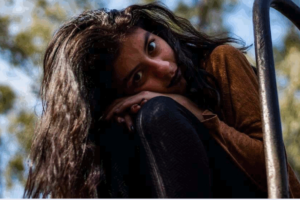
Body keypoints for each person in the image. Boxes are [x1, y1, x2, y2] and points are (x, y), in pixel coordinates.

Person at [24, 2, 300, 198]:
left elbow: (282, 181)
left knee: (158, 112)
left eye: (152, 47)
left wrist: (190, 109)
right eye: (138, 77)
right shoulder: (130, 121)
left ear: (157, 31)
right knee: (113, 136)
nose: (165, 68)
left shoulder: (220, 61)